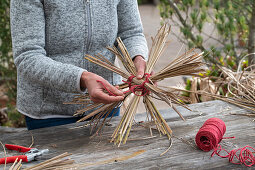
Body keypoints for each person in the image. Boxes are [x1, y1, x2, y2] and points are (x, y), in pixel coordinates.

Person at [10, 0, 148, 130]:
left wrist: (138, 57)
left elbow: (131, 33)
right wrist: (81, 78)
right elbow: (27, 56)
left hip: (106, 106)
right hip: (50, 112)